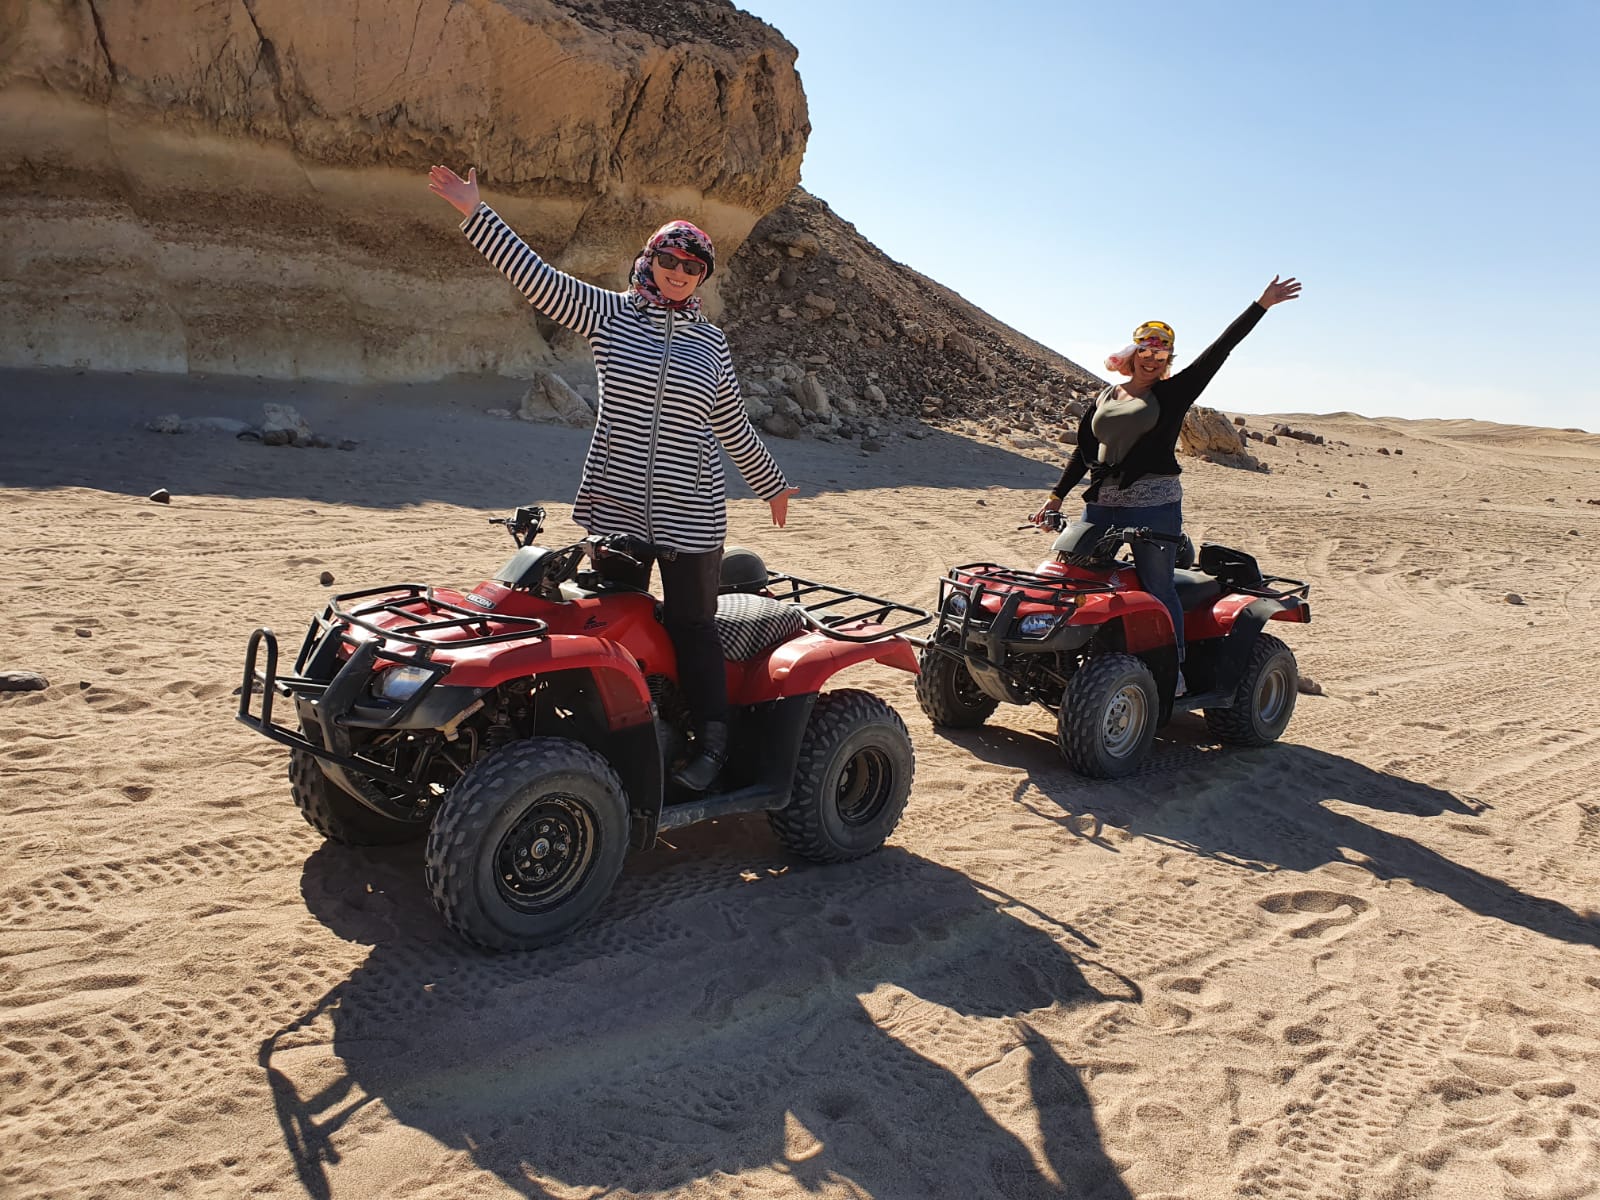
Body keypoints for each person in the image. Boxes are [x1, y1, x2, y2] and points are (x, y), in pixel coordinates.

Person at [428, 164, 799, 791]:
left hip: (692, 512)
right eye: (669, 261)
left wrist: (772, 484)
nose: (678, 274)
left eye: (691, 268)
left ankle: (710, 742)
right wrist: (475, 211)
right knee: (611, 621)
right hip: (618, 507)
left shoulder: (711, 345)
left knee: (691, 628)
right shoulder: (611, 315)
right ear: (649, 260)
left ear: (701, 277)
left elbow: (733, 424)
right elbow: (539, 281)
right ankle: (622, 731)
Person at [1032, 277, 1302, 696]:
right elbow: (1085, 452)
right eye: (1146, 350)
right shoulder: (1108, 395)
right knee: (1075, 578)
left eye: (1161, 352)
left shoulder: (1174, 392)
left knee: (1158, 587)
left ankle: (1171, 670)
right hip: (1102, 504)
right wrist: (1056, 495)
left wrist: (1260, 305)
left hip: (1154, 505)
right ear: (1133, 353)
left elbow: (1220, 350)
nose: (1153, 359)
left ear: (1168, 359)